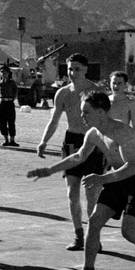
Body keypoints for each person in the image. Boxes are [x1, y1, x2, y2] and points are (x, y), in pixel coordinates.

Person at [27, 91, 135, 270]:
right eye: (81, 112)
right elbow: (78, 157)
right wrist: (49, 170)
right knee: (94, 222)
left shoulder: (123, 132)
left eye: (86, 112)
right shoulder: (93, 134)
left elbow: (133, 166)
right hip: (115, 180)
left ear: (102, 112)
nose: (82, 117)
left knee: (128, 231)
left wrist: (101, 179)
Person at [36, 53, 106, 250]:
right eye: (69, 69)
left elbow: (105, 122)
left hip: (93, 143)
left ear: (85, 70)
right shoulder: (63, 93)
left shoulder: (95, 92)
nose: (73, 72)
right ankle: (78, 235)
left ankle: (94, 237)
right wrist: (44, 141)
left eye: (77, 69)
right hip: (71, 143)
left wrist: (110, 149)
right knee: (71, 193)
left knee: (92, 195)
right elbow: (54, 120)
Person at [0, 66, 19, 146]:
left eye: (5, 73)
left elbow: (15, 92)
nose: (4, 74)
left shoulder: (12, 83)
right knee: (2, 122)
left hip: (10, 103)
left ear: (8, 73)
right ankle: (6, 140)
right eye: (2, 72)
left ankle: (12, 140)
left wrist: (11, 99)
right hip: (2, 103)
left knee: (11, 122)